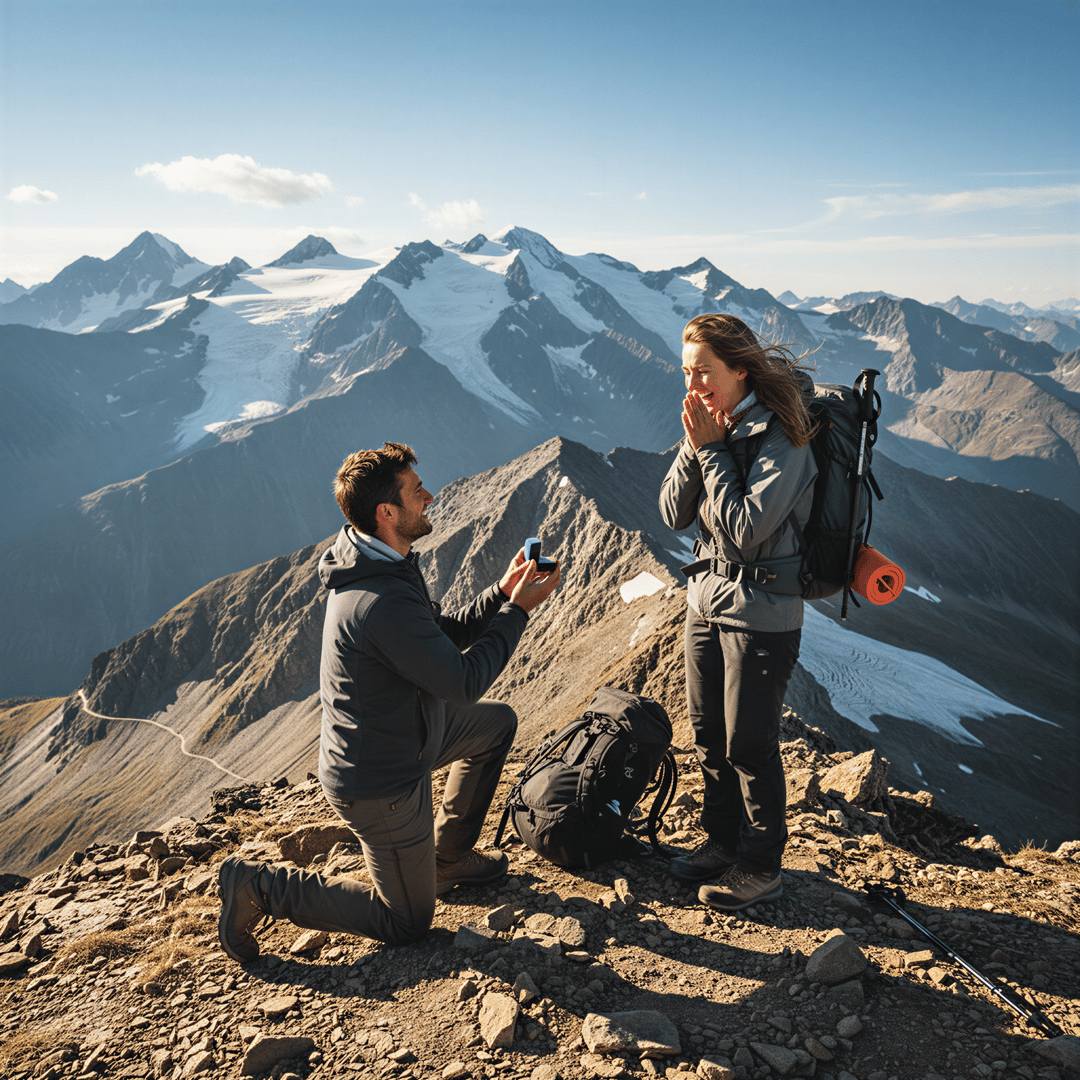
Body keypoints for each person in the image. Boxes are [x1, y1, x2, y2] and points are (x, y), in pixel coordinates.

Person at [218, 442, 560, 960]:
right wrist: (517, 611)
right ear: (387, 513)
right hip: (380, 782)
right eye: (415, 489)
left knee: (494, 726)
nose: (429, 495)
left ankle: (445, 859)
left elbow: (438, 634)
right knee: (406, 921)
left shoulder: (380, 561)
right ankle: (257, 886)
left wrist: (500, 593)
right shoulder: (379, 599)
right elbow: (464, 681)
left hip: (408, 736)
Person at [659, 314, 817, 913]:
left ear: (739, 370)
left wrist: (713, 451)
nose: (692, 382)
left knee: (748, 742)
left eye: (703, 371)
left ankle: (761, 866)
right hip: (706, 602)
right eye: (686, 371)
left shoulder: (787, 435)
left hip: (762, 611)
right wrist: (694, 446)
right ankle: (722, 844)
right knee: (707, 736)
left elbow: (749, 532)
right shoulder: (708, 423)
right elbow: (675, 512)